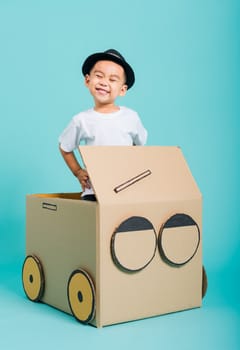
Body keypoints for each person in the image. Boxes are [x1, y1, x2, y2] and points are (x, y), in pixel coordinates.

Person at [59, 49, 147, 201]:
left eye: (113, 79)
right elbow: (65, 147)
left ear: (122, 89)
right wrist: (78, 171)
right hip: (94, 191)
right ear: (88, 80)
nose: (104, 82)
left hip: (126, 189)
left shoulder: (131, 117)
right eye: (99, 76)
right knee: (94, 224)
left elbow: (139, 146)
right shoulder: (81, 120)